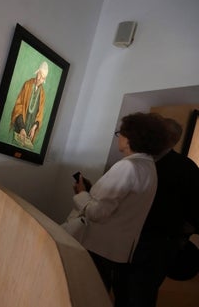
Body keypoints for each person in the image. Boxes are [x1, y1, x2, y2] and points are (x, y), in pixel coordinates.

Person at [68, 112, 168, 305]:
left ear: (131, 138)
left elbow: (98, 212)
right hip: (116, 249)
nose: (118, 137)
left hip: (97, 245)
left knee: (84, 297)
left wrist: (81, 193)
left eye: (120, 133)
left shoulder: (127, 167)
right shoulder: (149, 167)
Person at [117, 117, 199, 307]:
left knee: (140, 295)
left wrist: (177, 233)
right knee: (122, 289)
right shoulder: (140, 160)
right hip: (128, 239)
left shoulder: (186, 168)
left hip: (156, 244)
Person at [10, 61, 48, 149]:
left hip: (30, 130)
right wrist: (21, 128)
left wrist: (34, 128)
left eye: (42, 78)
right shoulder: (27, 85)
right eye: (39, 75)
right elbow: (18, 106)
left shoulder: (42, 94)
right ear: (37, 72)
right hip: (20, 126)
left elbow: (40, 115)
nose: (39, 79)